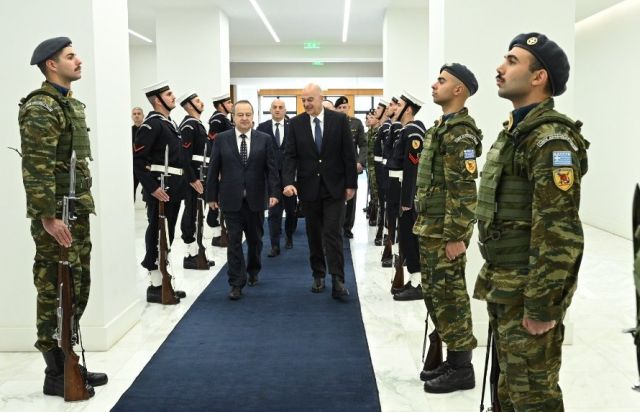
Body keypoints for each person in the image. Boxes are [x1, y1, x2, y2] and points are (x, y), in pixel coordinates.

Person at [473, 33, 589, 410]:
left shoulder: (550, 141)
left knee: (533, 397)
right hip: (505, 284)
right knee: (510, 391)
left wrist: (542, 306)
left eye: (512, 61)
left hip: (528, 291)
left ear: (539, 77)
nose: (500, 68)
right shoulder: (516, 133)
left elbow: (559, 232)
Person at [19, 36, 107, 399]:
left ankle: (69, 359)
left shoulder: (69, 104)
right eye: (71, 57)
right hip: (57, 215)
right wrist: (47, 217)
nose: (79, 61)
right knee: (53, 288)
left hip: (77, 209)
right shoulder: (41, 107)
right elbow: (35, 167)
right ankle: (56, 370)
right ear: (51, 65)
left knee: (77, 286)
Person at [413, 63, 482, 393]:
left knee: (451, 298)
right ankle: (452, 361)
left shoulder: (460, 133)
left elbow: (464, 189)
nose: (434, 85)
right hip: (431, 227)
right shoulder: (441, 127)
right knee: (436, 296)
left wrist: (457, 236)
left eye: (441, 80)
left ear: (458, 89)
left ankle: (461, 368)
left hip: (445, 232)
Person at [283, 83, 357, 300]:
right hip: (308, 188)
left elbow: (349, 154)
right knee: (314, 234)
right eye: (303, 100)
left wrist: (351, 184)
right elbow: (290, 156)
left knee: (333, 233)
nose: (306, 104)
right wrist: (288, 181)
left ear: (321, 98)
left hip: (335, 187)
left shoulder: (339, 120)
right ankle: (318, 274)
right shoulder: (296, 124)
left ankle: (338, 279)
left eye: (310, 100)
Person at [206, 100, 279, 300]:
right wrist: (211, 196)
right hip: (230, 199)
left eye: (248, 114)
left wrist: (274, 193)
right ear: (233, 117)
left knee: (255, 240)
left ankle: (253, 270)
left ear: (253, 116)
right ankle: (236, 283)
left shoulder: (264, 139)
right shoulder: (221, 139)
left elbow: (271, 169)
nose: (244, 118)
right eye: (240, 115)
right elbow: (213, 168)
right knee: (234, 242)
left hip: (256, 200)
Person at [133, 80, 187, 304]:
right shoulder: (152, 125)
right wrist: (152, 187)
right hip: (160, 187)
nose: (173, 97)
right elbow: (138, 161)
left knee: (168, 233)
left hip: (173, 187)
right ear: (157, 100)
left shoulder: (169, 123)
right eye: (169, 94)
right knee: (157, 232)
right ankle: (155, 284)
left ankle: (164, 279)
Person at [386, 91, 426, 302]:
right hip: (398, 187)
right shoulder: (404, 130)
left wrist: (407, 200)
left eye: (399, 105)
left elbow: (412, 168)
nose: (394, 108)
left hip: (405, 190)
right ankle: (413, 279)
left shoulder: (413, 132)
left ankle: (418, 282)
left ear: (408, 110)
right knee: (405, 236)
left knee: (410, 238)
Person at [177, 91, 214, 269]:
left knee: (199, 214)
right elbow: (184, 156)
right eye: (197, 101)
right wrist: (192, 179)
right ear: (190, 106)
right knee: (191, 214)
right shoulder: (189, 126)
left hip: (201, 174)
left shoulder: (197, 125)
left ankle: (198, 251)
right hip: (194, 177)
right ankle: (190, 253)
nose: (202, 103)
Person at [257, 98, 297, 255]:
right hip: (270, 176)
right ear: (270, 110)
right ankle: (275, 245)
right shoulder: (262, 128)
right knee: (274, 212)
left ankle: (289, 236)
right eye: (275, 107)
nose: (278, 109)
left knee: (291, 210)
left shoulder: (293, 127)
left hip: (290, 176)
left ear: (285, 110)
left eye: (281, 107)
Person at [335, 96, 367, 239]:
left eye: (344, 107)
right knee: (336, 197)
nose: (342, 110)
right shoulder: (331, 123)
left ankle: (347, 227)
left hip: (351, 167)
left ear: (348, 108)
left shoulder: (356, 123)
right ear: (336, 109)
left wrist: (360, 162)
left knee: (351, 197)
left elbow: (363, 145)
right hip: (335, 167)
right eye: (339, 108)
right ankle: (336, 225)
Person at [206, 92, 235, 246]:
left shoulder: (224, 119)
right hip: (222, 166)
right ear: (220, 105)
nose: (231, 105)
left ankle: (221, 234)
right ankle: (217, 235)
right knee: (216, 203)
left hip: (227, 165)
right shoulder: (217, 119)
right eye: (228, 102)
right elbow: (215, 143)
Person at [365, 108, 380, 227]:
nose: (368, 120)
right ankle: (372, 209)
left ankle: (376, 215)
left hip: (376, 166)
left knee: (376, 191)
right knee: (372, 189)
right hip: (369, 165)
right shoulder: (368, 133)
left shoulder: (379, 133)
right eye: (367, 118)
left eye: (371, 117)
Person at [132, 107, 144, 200]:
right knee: (132, 190)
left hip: (145, 165)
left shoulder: (147, 129)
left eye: (139, 113)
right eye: (134, 114)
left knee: (149, 190)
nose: (136, 115)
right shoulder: (129, 131)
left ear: (143, 116)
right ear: (132, 116)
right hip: (133, 165)